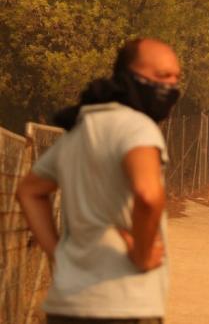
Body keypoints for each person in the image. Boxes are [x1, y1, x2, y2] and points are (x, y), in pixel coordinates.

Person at [16, 38, 181, 324]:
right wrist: (142, 255)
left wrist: (57, 254)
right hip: (124, 304)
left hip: (67, 305)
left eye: (175, 77)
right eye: (160, 76)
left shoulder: (79, 132)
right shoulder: (138, 128)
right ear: (128, 76)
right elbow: (148, 194)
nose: (170, 85)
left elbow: (29, 191)